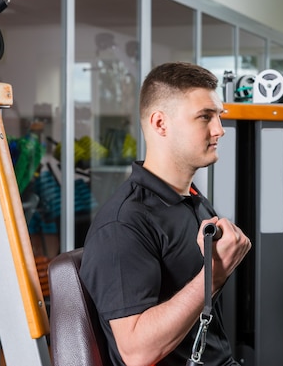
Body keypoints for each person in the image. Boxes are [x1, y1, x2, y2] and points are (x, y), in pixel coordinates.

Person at [80, 61, 252, 366]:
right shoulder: (124, 223)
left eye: (219, 116)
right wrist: (212, 277)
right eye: (205, 117)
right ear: (160, 124)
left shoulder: (192, 201)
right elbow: (136, 352)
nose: (219, 130)